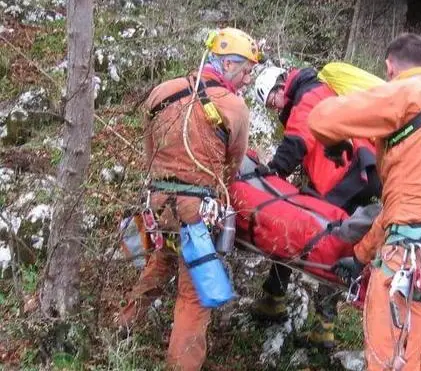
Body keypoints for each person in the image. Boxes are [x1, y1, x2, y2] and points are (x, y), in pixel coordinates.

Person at [307, 32, 421, 370]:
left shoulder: (405, 93)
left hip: (416, 259)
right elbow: (402, 208)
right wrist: (360, 256)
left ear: (389, 67)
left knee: (387, 363)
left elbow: (320, 118)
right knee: (409, 360)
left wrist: (337, 138)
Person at [116, 27, 260, 370]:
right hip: (196, 214)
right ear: (227, 65)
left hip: (157, 204)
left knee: (159, 262)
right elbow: (232, 167)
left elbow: (150, 153)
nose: (245, 79)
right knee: (193, 295)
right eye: (245, 71)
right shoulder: (234, 108)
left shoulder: (162, 92)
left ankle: (123, 325)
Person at [249, 64, 383, 349]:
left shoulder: (308, 94)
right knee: (336, 238)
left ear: (280, 86)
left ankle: (282, 303)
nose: (273, 107)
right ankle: (318, 322)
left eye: (270, 99)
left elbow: (298, 140)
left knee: (305, 231)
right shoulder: (319, 90)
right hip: (362, 171)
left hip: (345, 175)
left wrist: (273, 171)